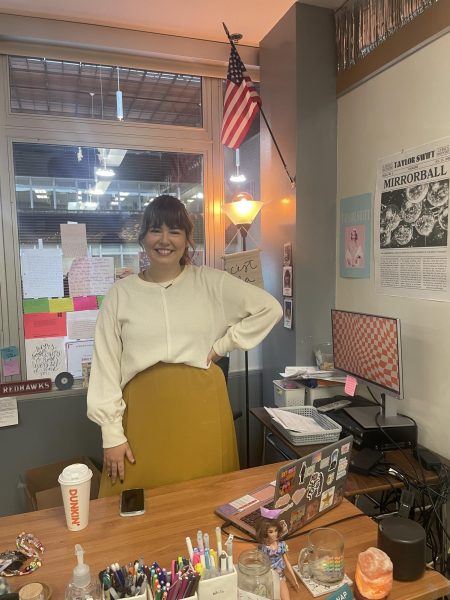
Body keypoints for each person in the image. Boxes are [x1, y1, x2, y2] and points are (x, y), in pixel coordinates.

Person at [87, 195, 282, 497]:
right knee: (133, 502)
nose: (164, 240)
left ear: (188, 240)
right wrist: (111, 434)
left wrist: (223, 345)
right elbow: (106, 365)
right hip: (142, 413)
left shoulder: (210, 282)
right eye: (155, 230)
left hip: (203, 407)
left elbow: (269, 308)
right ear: (142, 238)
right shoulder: (120, 294)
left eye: (175, 231)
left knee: (207, 498)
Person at [256, 518, 299, 600]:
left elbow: (287, 562)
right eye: (270, 532)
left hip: (280, 575)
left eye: (276, 531)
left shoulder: (281, 545)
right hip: (269, 577)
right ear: (265, 533)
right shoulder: (264, 548)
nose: (274, 534)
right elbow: (261, 564)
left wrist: (294, 579)